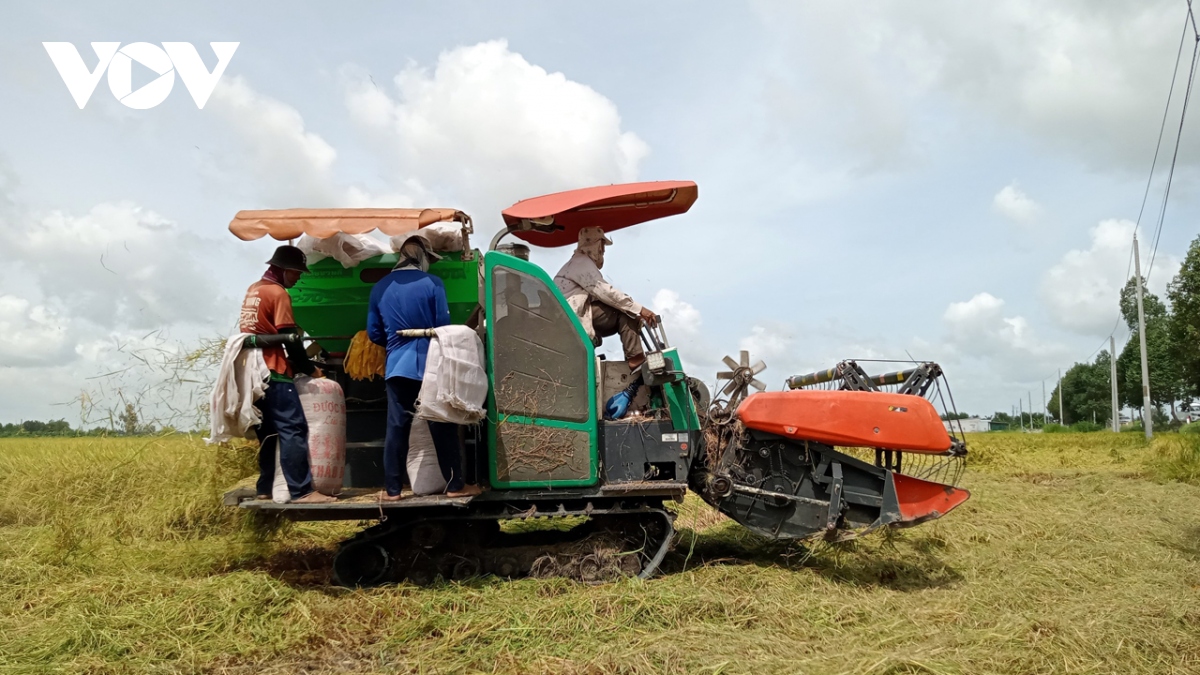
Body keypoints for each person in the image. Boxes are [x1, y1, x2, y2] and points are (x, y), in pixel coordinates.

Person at [367, 233, 482, 500]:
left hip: (397, 366)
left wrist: (396, 341)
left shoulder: (380, 287)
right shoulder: (433, 284)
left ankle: (392, 490)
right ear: (421, 259)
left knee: (397, 427)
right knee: (442, 424)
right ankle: (455, 487)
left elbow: (373, 333)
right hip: (431, 364)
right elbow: (443, 325)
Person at [240, 245, 336, 504]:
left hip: (251, 370)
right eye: (295, 272)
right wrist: (308, 368)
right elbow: (291, 338)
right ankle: (302, 491)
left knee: (268, 433)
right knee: (293, 428)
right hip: (272, 368)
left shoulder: (254, 289)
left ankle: (264, 487)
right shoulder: (278, 293)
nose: (298, 277)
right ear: (281, 270)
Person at [554, 227, 660, 369]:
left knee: (624, 309)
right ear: (595, 244)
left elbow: (598, 297)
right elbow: (607, 293)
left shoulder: (575, 264)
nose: (603, 250)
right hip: (573, 319)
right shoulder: (582, 264)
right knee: (624, 312)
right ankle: (636, 359)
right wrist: (639, 310)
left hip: (568, 318)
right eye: (602, 245)